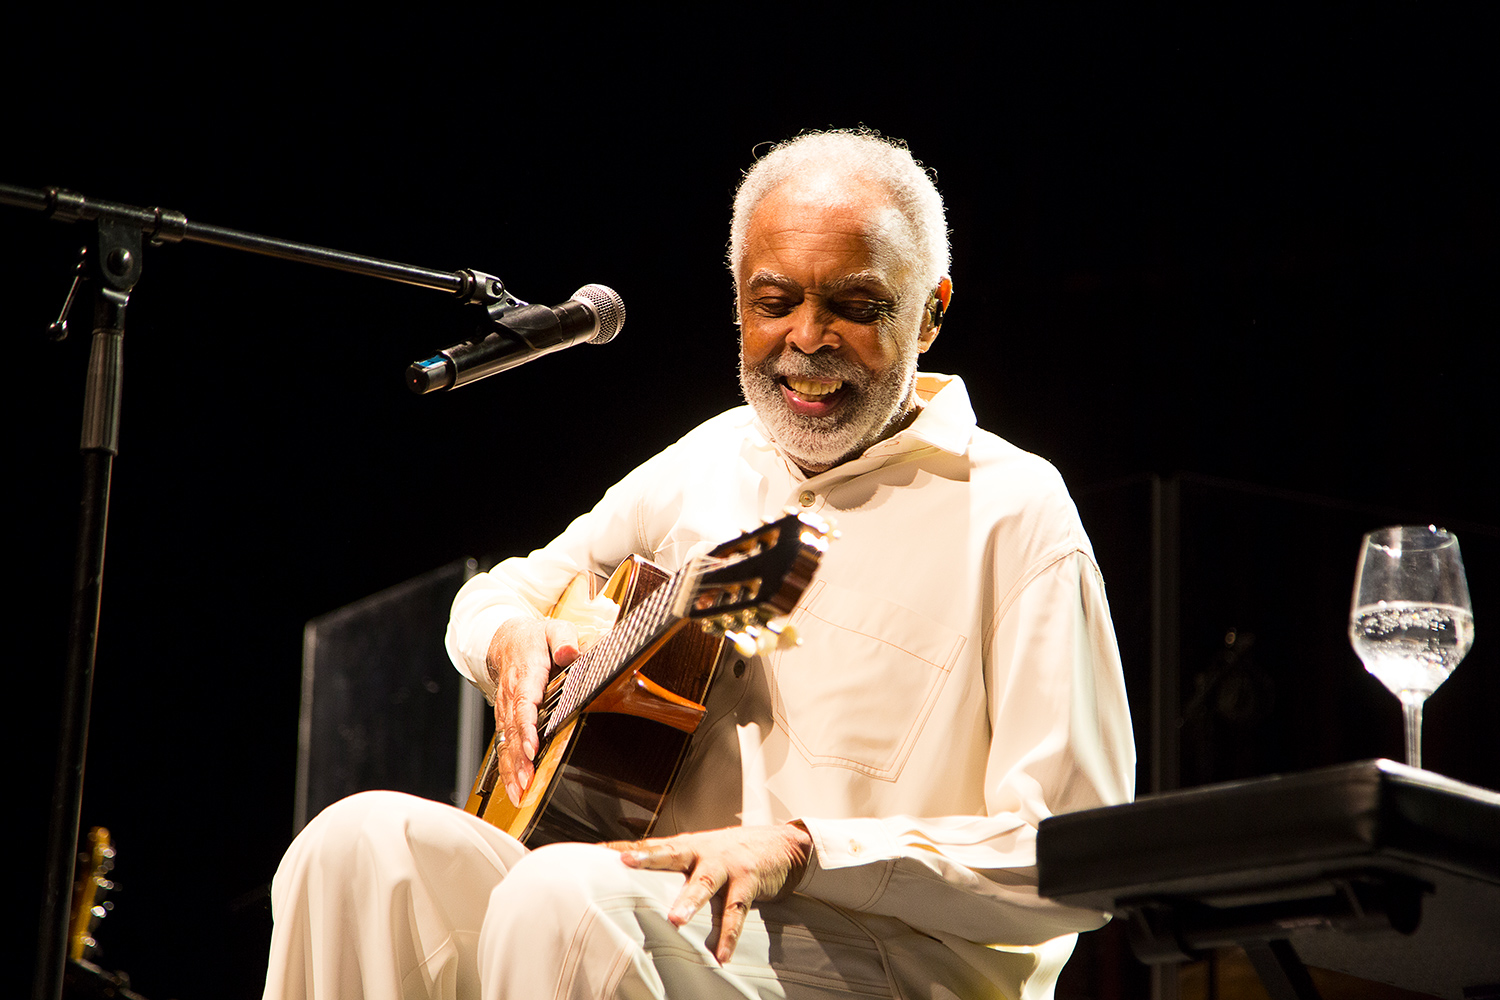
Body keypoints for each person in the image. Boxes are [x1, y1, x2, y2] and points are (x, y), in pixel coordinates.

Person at [262, 130, 1135, 1000]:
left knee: (565, 893)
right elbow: (501, 592)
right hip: (654, 918)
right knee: (358, 847)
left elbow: (1074, 853)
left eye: (856, 306)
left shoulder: (1014, 511)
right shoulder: (710, 461)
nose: (807, 336)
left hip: (885, 961)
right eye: (773, 301)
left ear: (933, 311)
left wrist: (803, 849)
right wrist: (507, 638)